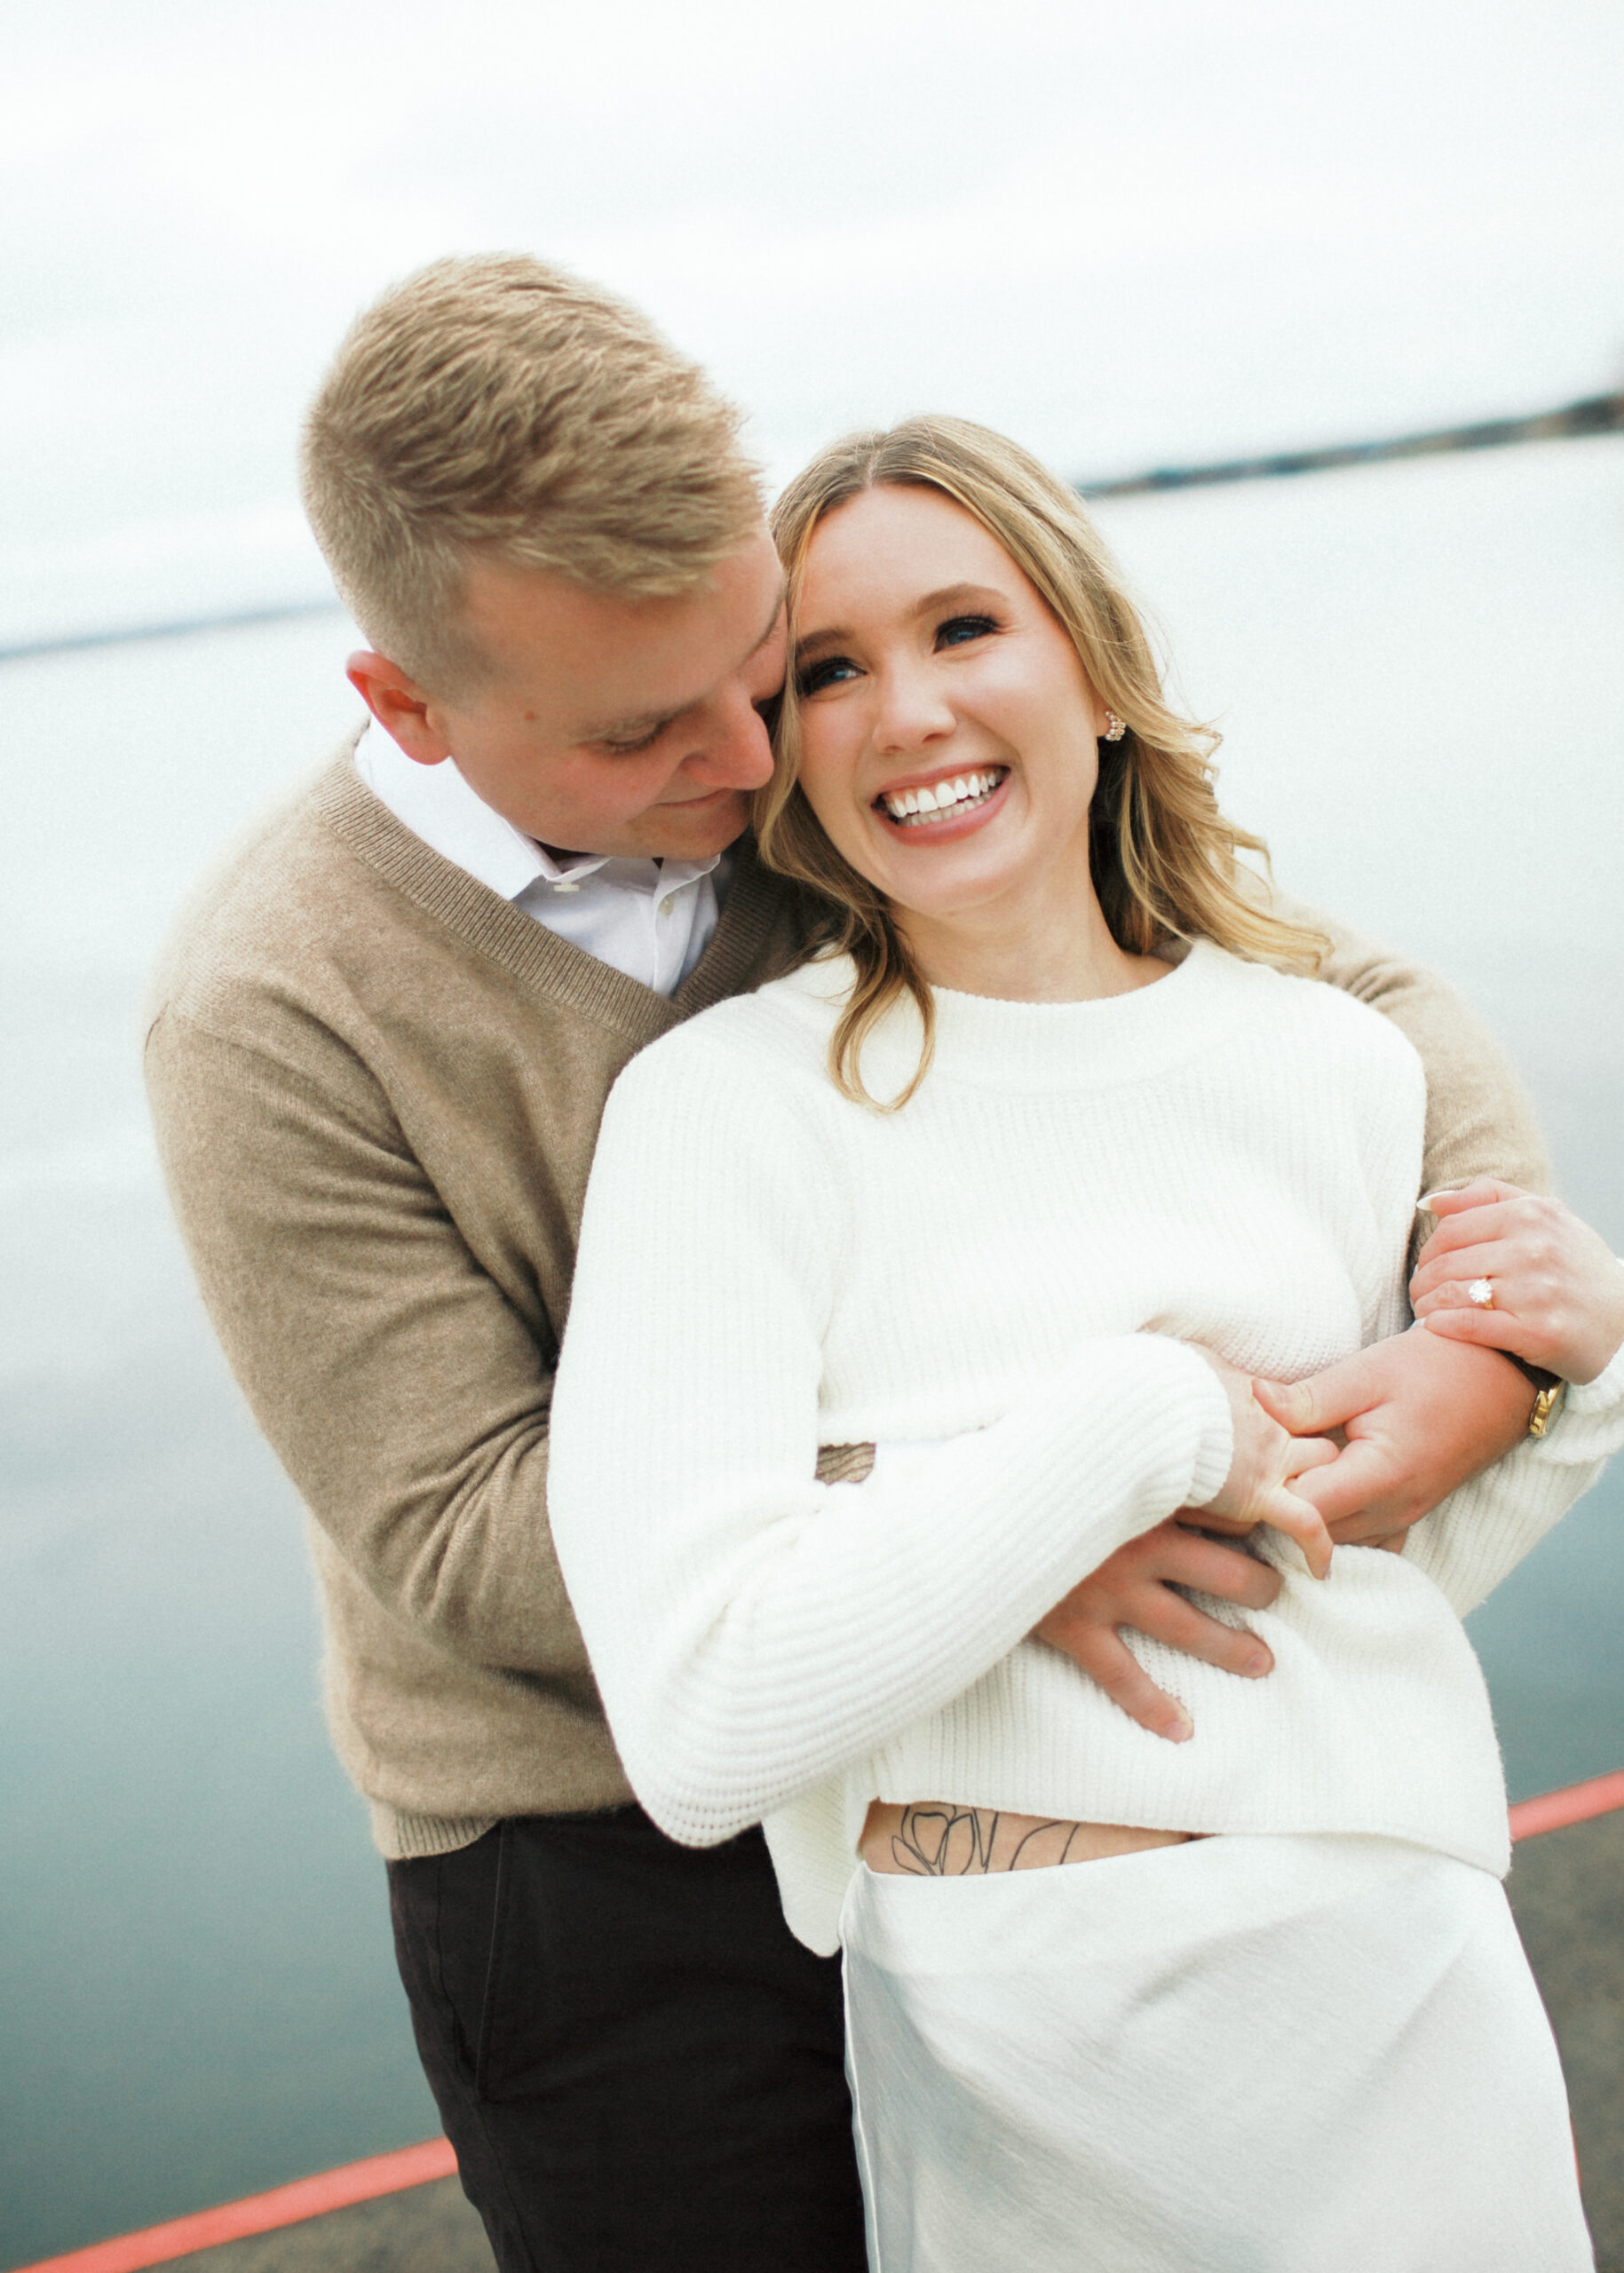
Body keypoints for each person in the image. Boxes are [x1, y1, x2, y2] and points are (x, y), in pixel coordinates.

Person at [145, 255, 1557, 2272]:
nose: (748, 757)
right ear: (411, 708)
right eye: (648, 728)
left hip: (1009, 1794)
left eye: (760, 663)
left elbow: (1312, 986)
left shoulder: (805, 781)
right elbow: (456, 1528)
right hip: (593, 1855)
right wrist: (1004, 1531)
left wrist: (1497, 1333)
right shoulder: (267, 1011)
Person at [547, 416, 1624, 2269]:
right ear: (782, 747)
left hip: (1397, 1987)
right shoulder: (723, 1111)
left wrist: (1571, 1386)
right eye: (828, 670)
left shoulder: (1336, 1064)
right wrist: (1138, 1422)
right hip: (1016, 2040)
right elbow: (704, 1721)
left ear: (1101, 672)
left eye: (966, 628)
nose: (907, 714)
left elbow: (1339, 1587)